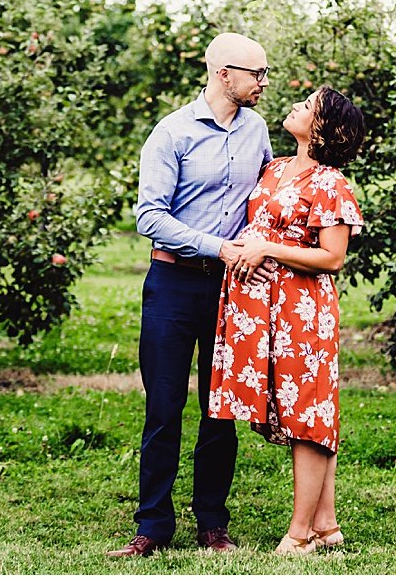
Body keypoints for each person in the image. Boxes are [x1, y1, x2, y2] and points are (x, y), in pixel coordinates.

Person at [108, 32, 274, 558]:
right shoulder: (171, 132)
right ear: (223, 74)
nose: (263, 82)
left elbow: (266, 200)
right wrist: (218, 246)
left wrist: (260, 249)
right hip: (173, 285)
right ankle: (152, 527)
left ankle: (212, 525)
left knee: (220, 410)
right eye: (256, 73)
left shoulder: (257, 130)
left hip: (231, 287)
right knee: (164, 407)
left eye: (265, 73)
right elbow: (149, 217)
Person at [208, 86, 366, 555]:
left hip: (302, 311)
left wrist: (267, 249)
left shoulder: (331, 183)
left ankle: (299, 537)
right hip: (262, 311)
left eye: (308, 105)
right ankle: (326, 525)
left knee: (308, 414)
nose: (297, 105)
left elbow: (333, 257)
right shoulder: (274, 168)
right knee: (297, 409)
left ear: (322, 127)